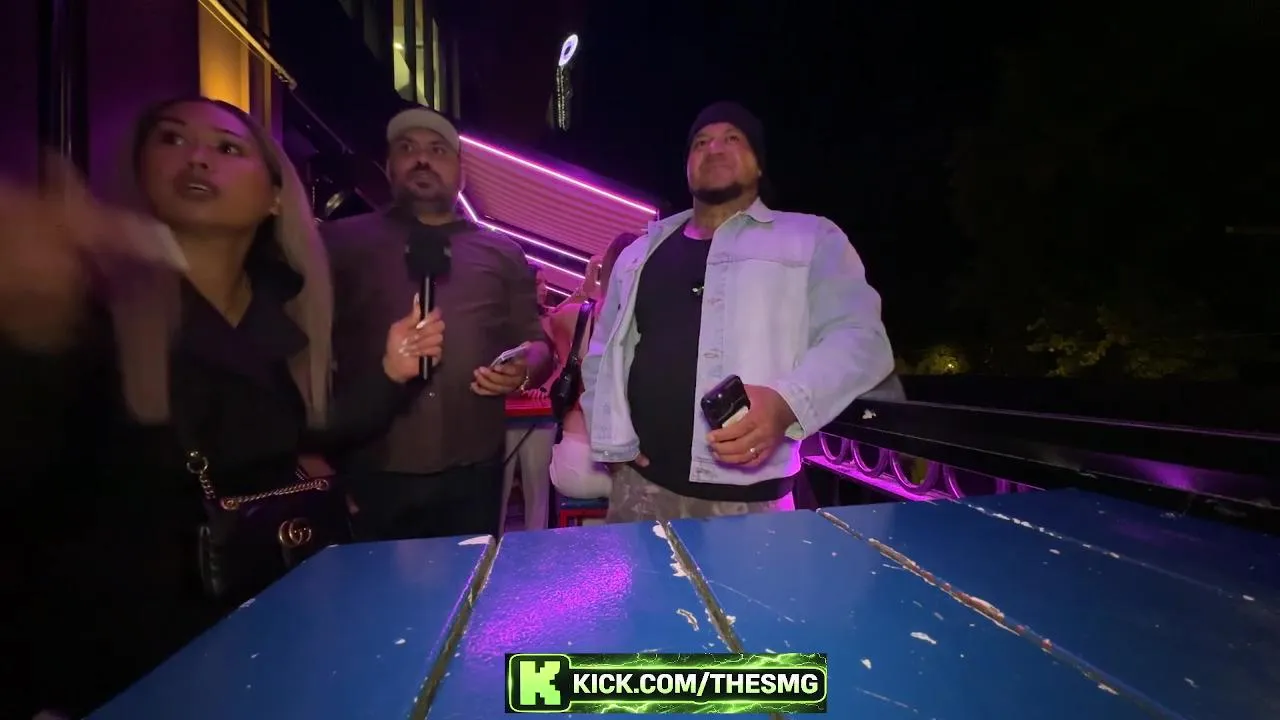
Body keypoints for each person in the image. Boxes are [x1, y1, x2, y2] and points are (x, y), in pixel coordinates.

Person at [0, 98, 441, 719]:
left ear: (275, 197)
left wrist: (392, 374)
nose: (198, 157)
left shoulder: (285, 313)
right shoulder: (87, 302)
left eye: (228, 147)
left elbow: (296, 435)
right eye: (171, 139)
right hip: (121, 659)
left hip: (260, 635)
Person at [579, 102, 895, 523]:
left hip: (753, 500)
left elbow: (861, 337)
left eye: (732, 138)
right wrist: (610, 439)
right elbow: (602, 353)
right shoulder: (640, 253)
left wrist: (786, 404)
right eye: (701, 142)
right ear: (687, 165)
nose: (714, 148)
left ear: (759, 163)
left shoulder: (811, 237)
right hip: (640, 490)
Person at [325, 106, 555, 541]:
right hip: (369, 469)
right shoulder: (339, 243)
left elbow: (537, 342)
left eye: (437, 150)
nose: (422, 159)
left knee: (468, 580)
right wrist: (319, 461)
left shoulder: (502, 252)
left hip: (474, 471)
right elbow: (309, 350)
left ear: (461, 175)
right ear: (388, 167)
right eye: (407, 148)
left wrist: (525, 368)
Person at [548, 232, 640, 500]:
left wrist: (588, 285)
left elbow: (550, 319)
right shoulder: (653, 321)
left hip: (577, 463)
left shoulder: (573, 318)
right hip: (633, 459)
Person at [500, 264, 557, 532]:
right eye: (537, 283)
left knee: (537, 487)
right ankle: (493, 546)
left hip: (539, 410)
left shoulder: (551, 319)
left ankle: (539, 547)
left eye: (545, 283)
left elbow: (562, 362)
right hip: (504, 408)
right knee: (498, 487)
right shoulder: (501, 320)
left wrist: (543, 387)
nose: (544, 289)